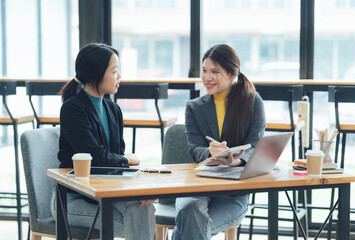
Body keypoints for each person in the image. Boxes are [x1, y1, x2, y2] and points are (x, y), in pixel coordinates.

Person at [50, 43, 155, 240]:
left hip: (104, 194)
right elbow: (95, 157)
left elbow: (115, 163)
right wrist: (126, 159)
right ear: (96, 73)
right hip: (72, 199)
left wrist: (138, 190)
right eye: (115, 71)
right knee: (137, 214)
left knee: (143, 206)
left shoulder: (113, 110)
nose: (120, 77)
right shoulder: (73, 109)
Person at [172, 44, 266, 240]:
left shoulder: (252, 102)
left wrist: (237, 161)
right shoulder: (194, 107)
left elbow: (256, 145)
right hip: (197, 185)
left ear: (232, 74)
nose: (207, 77)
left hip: (233, 192)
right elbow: (194, 148)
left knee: (187, 227)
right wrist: (209, 152)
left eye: (215, 71)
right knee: (189, 210)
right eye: (204, 71)